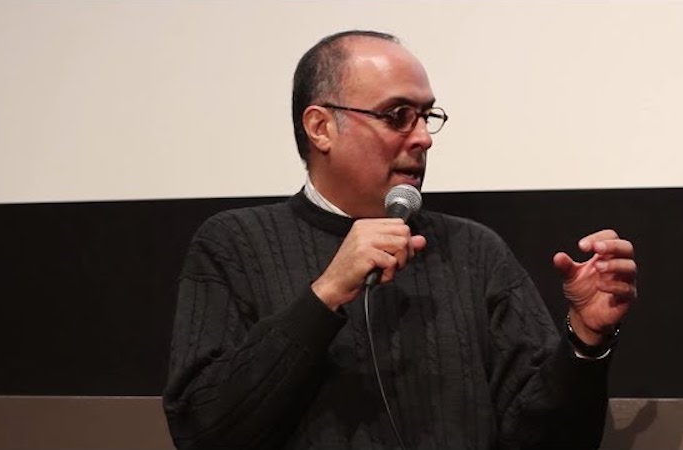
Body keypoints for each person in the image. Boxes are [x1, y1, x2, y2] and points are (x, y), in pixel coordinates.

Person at [163, 30, 637, 449]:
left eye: (426, 116)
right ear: (321, 127)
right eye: (397, 116)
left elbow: (550, 441)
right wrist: (325, 294)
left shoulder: (475, 252)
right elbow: (203, 430)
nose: (423, 138)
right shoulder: (233, 245)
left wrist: (585, 342)